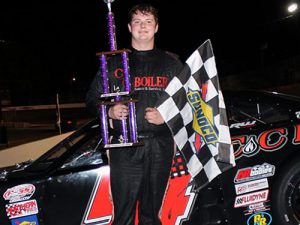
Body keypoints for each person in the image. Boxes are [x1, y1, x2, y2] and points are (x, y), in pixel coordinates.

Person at [85, 3, 183, 225]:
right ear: (129, 27)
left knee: (151, 214)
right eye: (137, 22)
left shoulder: (172, 63)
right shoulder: (114, 62)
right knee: (124, 216)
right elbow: (91, 99)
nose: (143, 27)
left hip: (160, 146)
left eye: (148, 21)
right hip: (124, 148)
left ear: (156, 27)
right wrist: (109, 110)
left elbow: (189, 101)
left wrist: (166, 115)